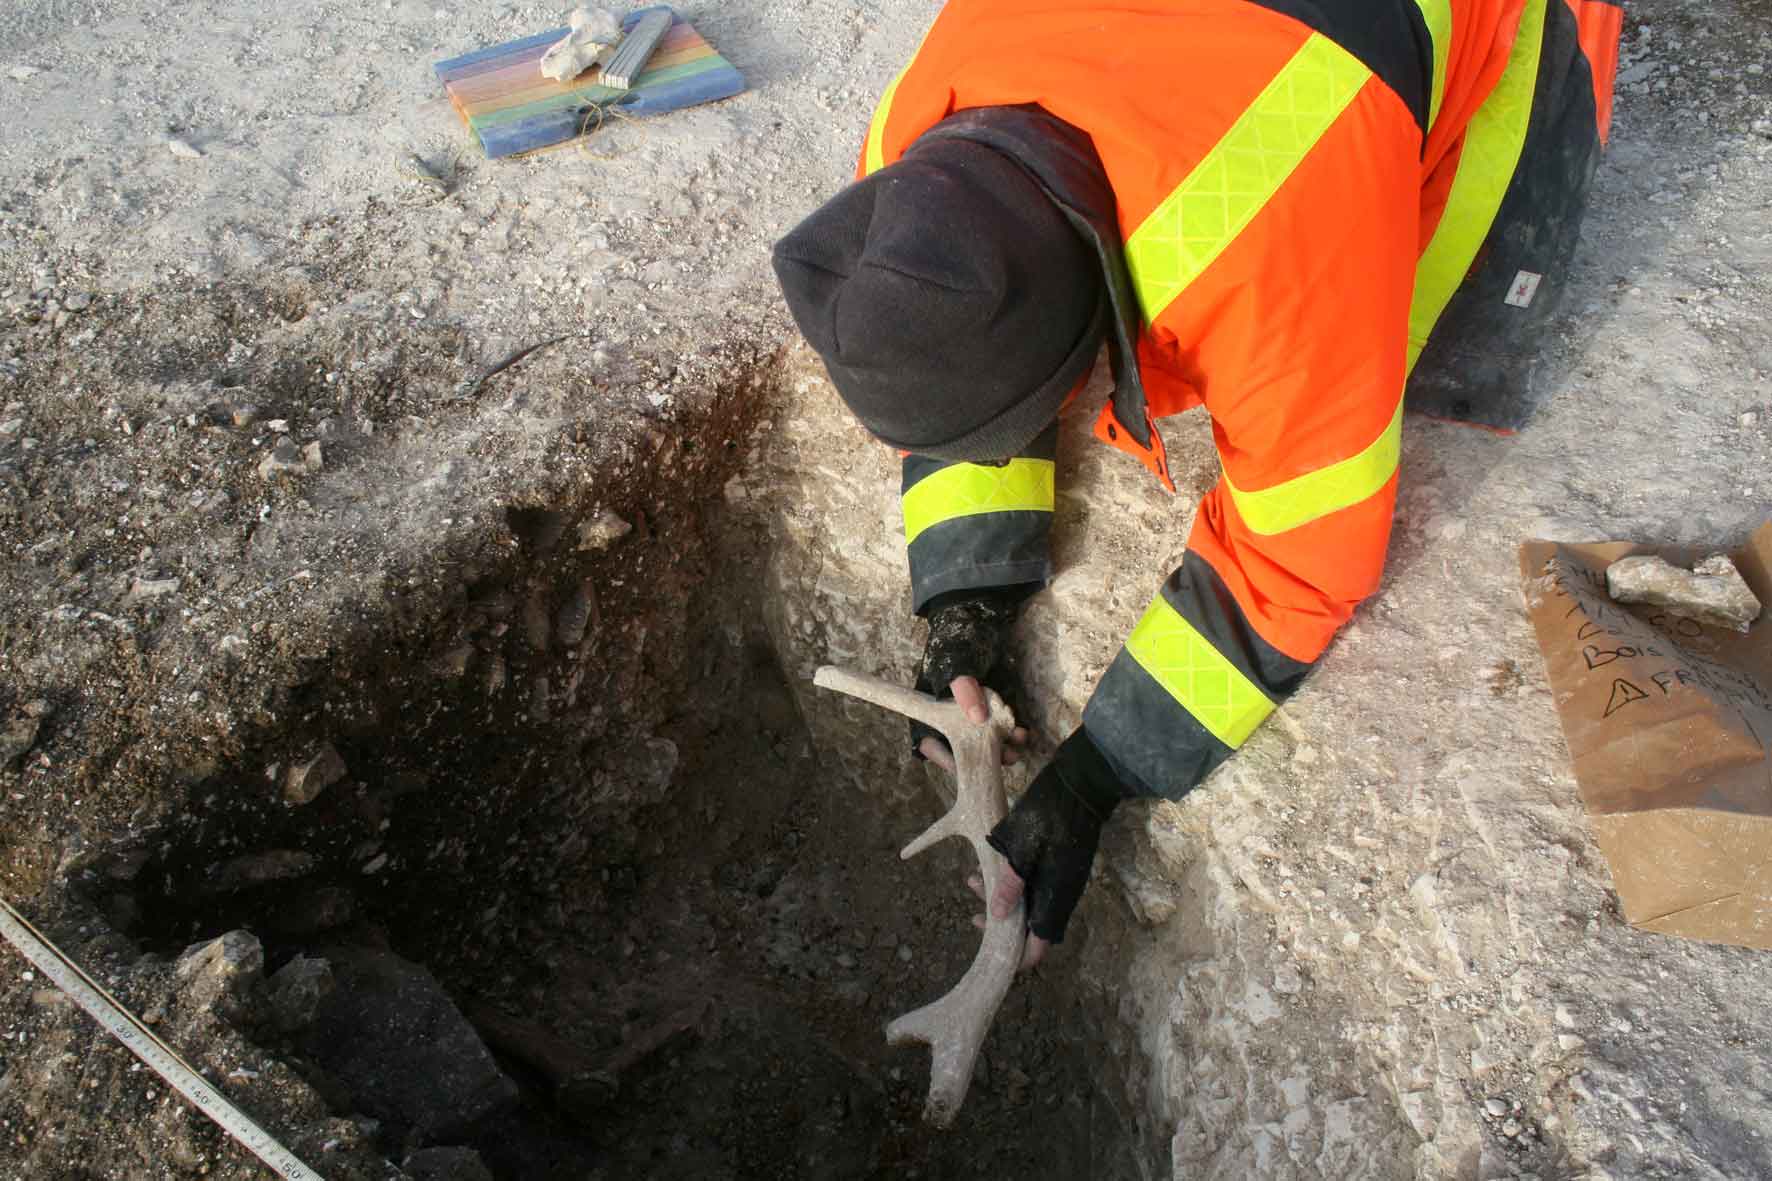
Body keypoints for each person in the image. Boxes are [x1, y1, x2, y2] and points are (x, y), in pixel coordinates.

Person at [772, 0, 1622, 966]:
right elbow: (955, 360)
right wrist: (966, 600)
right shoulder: (905, 157)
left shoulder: (1274, 235)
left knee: (1431, 332)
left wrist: (1105, 766)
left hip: (1397, 46)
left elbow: (1301, 556)